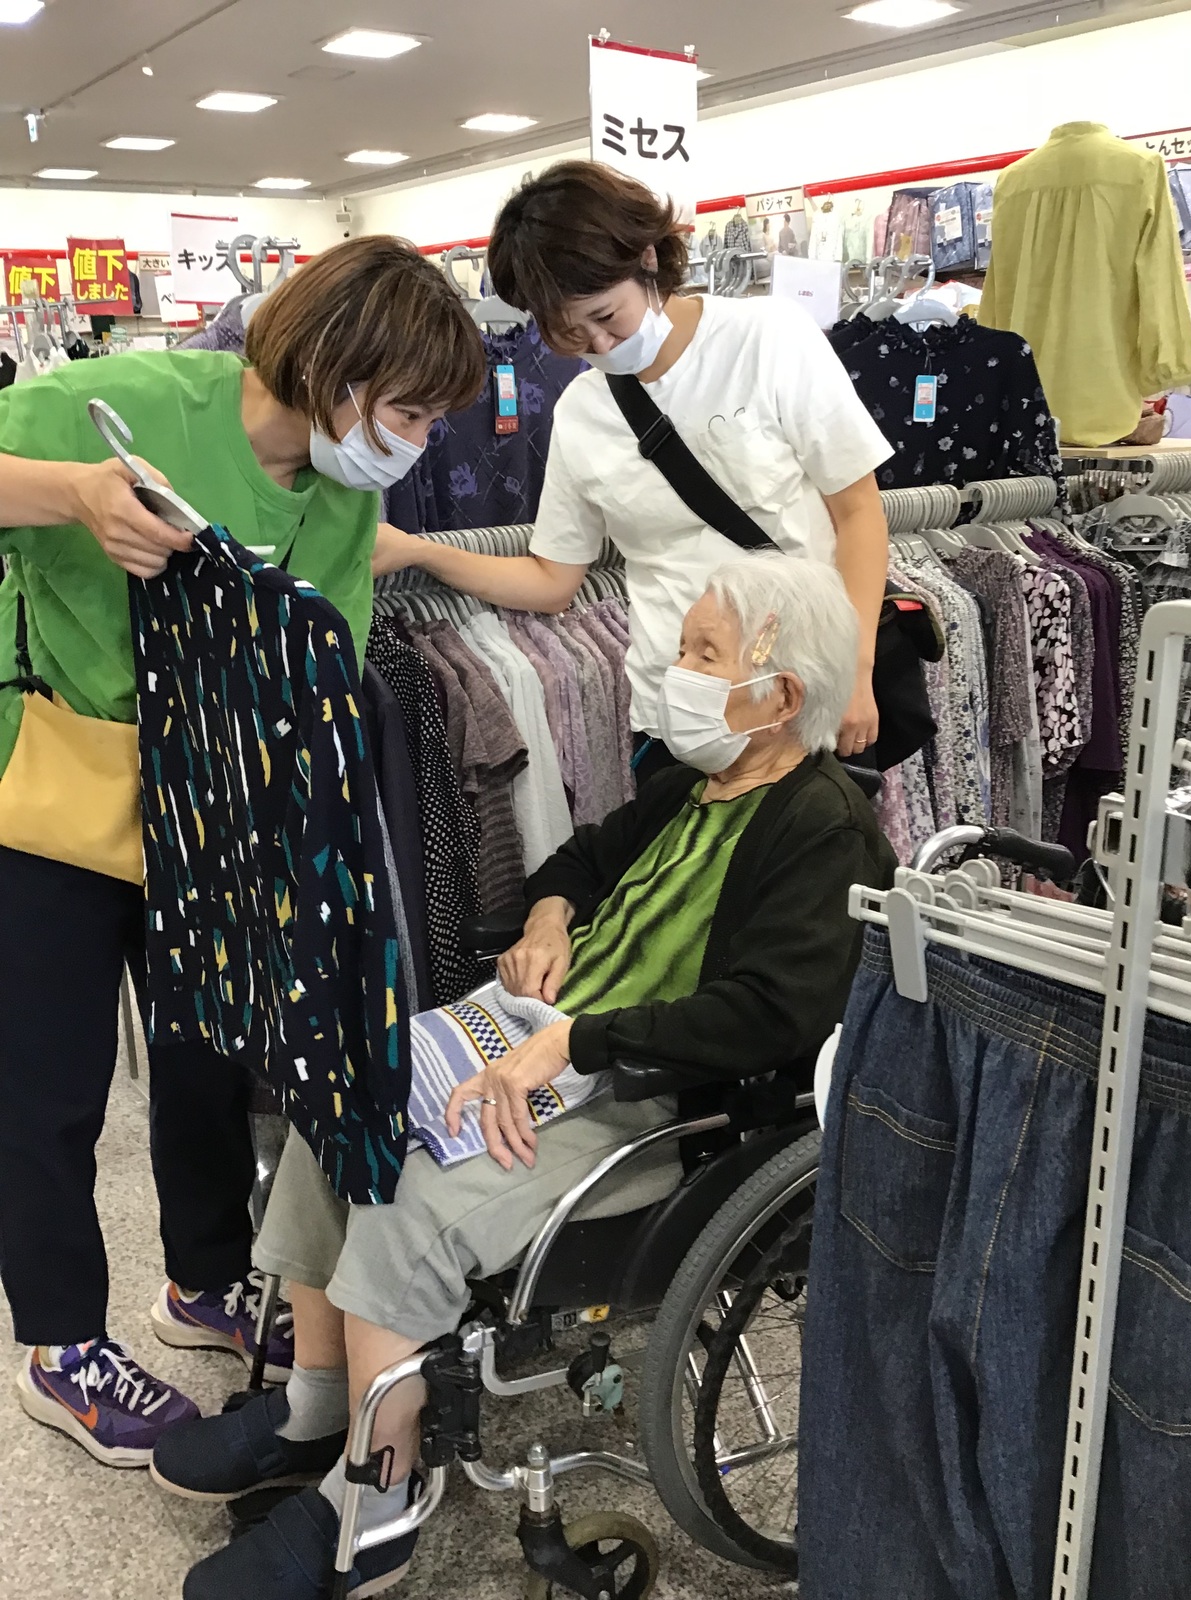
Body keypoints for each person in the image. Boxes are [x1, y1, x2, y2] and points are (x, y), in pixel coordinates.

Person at [151, 553, 897, 1600]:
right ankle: (319, 1405)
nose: (675, 667)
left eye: (704, 653)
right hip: (549, 1040)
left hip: (652, 1100)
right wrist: (550, 920)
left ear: (780, 697)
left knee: (409, 1199)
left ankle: (380, 1499)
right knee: (341, 1102)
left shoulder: (821, 828)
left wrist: (574, 1042)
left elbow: (773, 1014)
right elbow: (578, 863)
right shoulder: (694, 786)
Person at [0, 236, 485, 1467]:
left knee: (209, 1047)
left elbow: (324, 665)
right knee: (47, 1082)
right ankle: (60, 1345)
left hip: (213, 806)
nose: (419, 442)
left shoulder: (346, 493)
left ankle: (205, 1278)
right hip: (56, 782)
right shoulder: (119, 405)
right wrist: (76, 497)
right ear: (335, 365)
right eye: (409, 411)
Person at [373, 159, 894, 775]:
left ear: (647, 258)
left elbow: (858, 512)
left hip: (792, 704)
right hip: (672, 712)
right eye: (568, 334)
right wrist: (420, 551)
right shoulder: (581, 411)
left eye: (605, 316)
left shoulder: (768, 338)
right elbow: (552, 579)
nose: (597, 346)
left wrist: (854, 670)